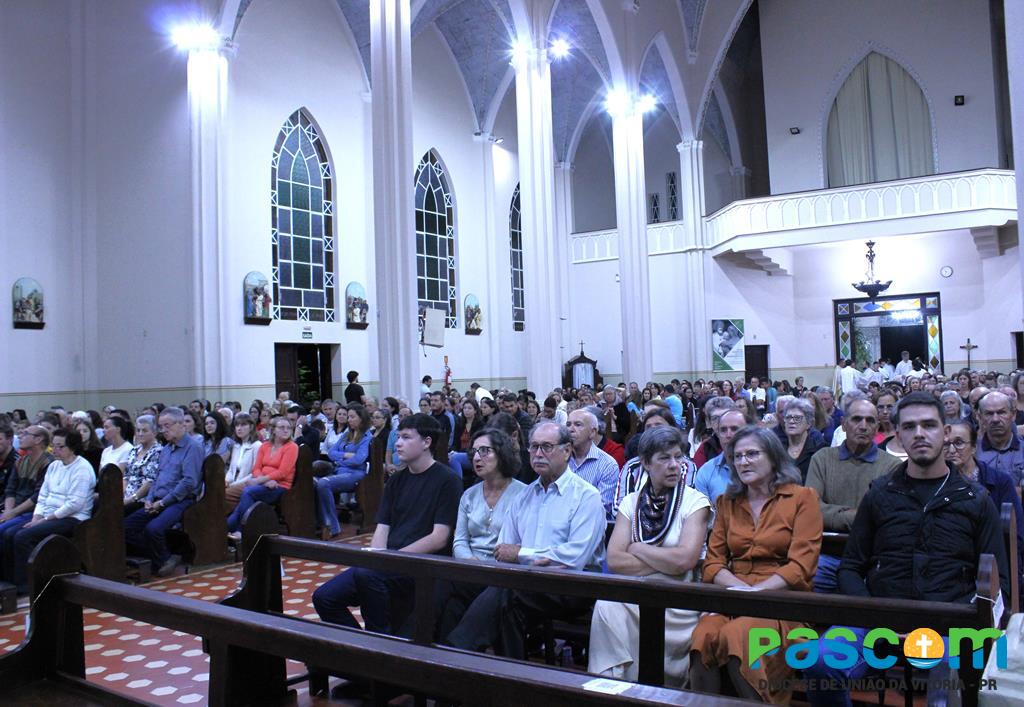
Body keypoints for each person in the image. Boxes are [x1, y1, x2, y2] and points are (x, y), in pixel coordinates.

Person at [805, 393, 1010, 706]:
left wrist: (961, 620)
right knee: (820, 660)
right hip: (878, 618)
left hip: (948, 623)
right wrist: (875, 615)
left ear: (945, 433)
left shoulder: (976, 500)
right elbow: (850, 567)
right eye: (910, 427)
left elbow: (998, 582)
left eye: (929, 425)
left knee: (950, 669)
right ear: (897, 434)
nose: (920, 433)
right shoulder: (880, 495)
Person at [446, 421, 605, 659]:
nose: (539, 454)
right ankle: (505, 681)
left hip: (571, 585)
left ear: (567, 450)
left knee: (506, 594)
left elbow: (573, 558)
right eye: (533, 447)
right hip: (526, 582)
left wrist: (521, 554)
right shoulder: (525, 496)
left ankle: (455, 658)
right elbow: (502, 550)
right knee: (464, 594)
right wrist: (528, 557)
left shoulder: (586, 496)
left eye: (547, 447)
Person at [689, 426, 823, 703]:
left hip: (782, 600)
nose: (743, 462)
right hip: (735, 595)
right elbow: (713, 564)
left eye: (752, 454)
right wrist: (742, 593)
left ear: (773, 456)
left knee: (740, 633)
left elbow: (801, 566)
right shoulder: (727, 502)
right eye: (737, 457)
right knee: (704, 634)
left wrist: (757, 594)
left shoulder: (802, 498)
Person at [313, 413, 460, 638]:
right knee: (325, 597)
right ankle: (364, 651)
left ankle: (382, 645)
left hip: (422, 563)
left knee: (368, 576)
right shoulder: (396, 480)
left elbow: (439, 537)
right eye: (398, 437)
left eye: (406, 437)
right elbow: (383, 527)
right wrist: (378, 558)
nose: (398, 443)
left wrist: (392, 559)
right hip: (389, 561)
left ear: (427, 442)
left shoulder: (447, 480)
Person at [589, 427, 711, 684]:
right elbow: (615, 561)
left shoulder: (695, 502)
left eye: (679, 457)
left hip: (679, 601)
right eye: (664, 458)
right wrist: (665, 558)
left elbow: (684, 562)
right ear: (645, 463)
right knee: (606, 605)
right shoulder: (630, 503)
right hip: (637, 595)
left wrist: (639, 548)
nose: (674, 465)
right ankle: (609, 688)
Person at [434, 429, 526, 643]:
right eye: (474, 452)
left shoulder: (523, 494)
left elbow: (523, 544)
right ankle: (446, 659)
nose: (477, 457)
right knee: (451, 608)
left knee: (442, 582)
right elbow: (460, 540)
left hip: (503, 575)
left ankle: (416, 647)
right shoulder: (469, 494)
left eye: (485, 451)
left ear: (502, 454)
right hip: (470, 569)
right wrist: (468, 560)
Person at [805, 398, 901, 592]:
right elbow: (811, 510)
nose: (863, 426)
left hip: (871, 557)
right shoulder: (822, 458)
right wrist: (858, 515)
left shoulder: (892, 466)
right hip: (828, 554)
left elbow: (885, 518)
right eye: (857, 419)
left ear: (877, 427)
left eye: (870, 421)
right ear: (844, 424)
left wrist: (834, 514)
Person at [945, 420, 1024, 605]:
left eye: (958, 443)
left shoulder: (999, 481)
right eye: (945, 444)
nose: (951, 449)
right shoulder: (938, 485)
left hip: (996, 566)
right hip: (955, 572)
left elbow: (1016, 535)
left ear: (973, 447)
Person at [9, 428, 96, 592]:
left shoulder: (82, 468)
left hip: (72, 518)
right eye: (53, 446)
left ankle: (29, 585)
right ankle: (10, 581)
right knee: (8, 534)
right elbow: (43, 495)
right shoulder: (54, 465)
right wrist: (37, 517)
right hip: (48, 515)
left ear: (72, 447)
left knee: (23, 537)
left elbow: (74, 504)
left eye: (60, 447)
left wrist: (45, 520)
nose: (54, 450)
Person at [124, 407, 204, 577]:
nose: (163, 430)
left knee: (153, 529)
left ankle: (162, 558)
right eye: (161, 426)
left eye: (167, 426)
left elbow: (189, 482)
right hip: (158, 498)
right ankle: (164, 557)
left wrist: (162, 503)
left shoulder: (193, 447)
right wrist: (150, 498)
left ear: (181, 424)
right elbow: (157, 477)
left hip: (181, 500)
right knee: (126, 527)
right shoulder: (166, 449)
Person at [226, 417, 299, 539]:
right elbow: (256, 469)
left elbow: (283, 472)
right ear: (273, 430)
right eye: (282, 427)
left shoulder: (292, 447)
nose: (286, 430)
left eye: (289, 428)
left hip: (280, 486)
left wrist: (259, 480)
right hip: (264, 483)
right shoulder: (265, 446)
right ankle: (227, 530)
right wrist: (264, 480)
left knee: (248, 492)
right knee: (236, 512)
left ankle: (243, 531)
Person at [0, 426, 53, 583]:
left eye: (25, 434)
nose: (20, 437)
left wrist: (12, 513)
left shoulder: (48, 463)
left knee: (6, 532)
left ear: (38, 440)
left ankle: (15, 582)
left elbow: (38, 497)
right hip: (15, 509)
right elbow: (10, 490)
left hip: (34, 511)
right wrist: (8, 512)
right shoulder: (20, 461)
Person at [313, 405, 372, 540]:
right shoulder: (347, 434)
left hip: (356, 473)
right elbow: (331, 452)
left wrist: (341, 460)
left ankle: (333, 525)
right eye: (348, 417)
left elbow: (359, 459)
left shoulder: (367, 437)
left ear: (361, 419)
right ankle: (323, 522)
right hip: (339, 470)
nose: (348, 420)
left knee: (323, 483)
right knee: (314, 482)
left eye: (352, 417)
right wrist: (346, 455)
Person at [566, 409, 620, 518]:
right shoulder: (558, 459)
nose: (570, 429)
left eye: (578, 425)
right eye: (568, 424)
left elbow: (600, 508)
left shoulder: (607, 465)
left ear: (592, 432)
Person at [693, 409, 746, 504]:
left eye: (735, 429)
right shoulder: (706, 472)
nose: (728, 435)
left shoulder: (763, 467)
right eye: (723, 430)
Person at [975, 391, 1024, 487]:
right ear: (980, 417)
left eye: (1001, 412)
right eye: (989, 414)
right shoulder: (971, 452)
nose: (995, 419)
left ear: (1013, 415)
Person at [123, 415, 162, 513]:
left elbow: (150, 482)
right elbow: (126, 476)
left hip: (141, 499)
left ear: (155, 432)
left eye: (144, 431)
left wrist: (131, 499)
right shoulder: (134, 450)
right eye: (138, 430)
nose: (140, 434)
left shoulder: (158, 452)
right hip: (126, 496)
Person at [224, 413, 263, 513]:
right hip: (233, 482)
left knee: (223, 495)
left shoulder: (257, 446)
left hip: (247, 483)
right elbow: (231, 470)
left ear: (251, 427)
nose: (239, 428)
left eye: (243, 425)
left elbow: (254, 473)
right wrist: (227, 480)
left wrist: (234, 484)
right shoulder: (236, 445)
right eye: (237, 425)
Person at [781, 398, 826, 482]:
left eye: (797, 418)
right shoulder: (777, 449)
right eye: (788, 417)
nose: (791, 421)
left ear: (809, 423)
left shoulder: (818, 450)